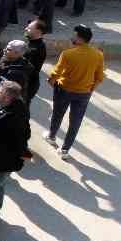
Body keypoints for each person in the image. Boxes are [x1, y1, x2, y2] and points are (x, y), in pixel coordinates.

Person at [45, 24, 104, 159]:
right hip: (84, 93)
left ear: (80, 38)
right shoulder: (98, 55)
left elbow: (56, 72)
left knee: (58, 114)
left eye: (74, 35)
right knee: (75, 121)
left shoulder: (68, 54)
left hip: (64, 90)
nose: (72, 37)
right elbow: (99, 77)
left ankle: (51, 136)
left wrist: (51, 81)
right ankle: (65, 150)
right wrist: (90, 90)